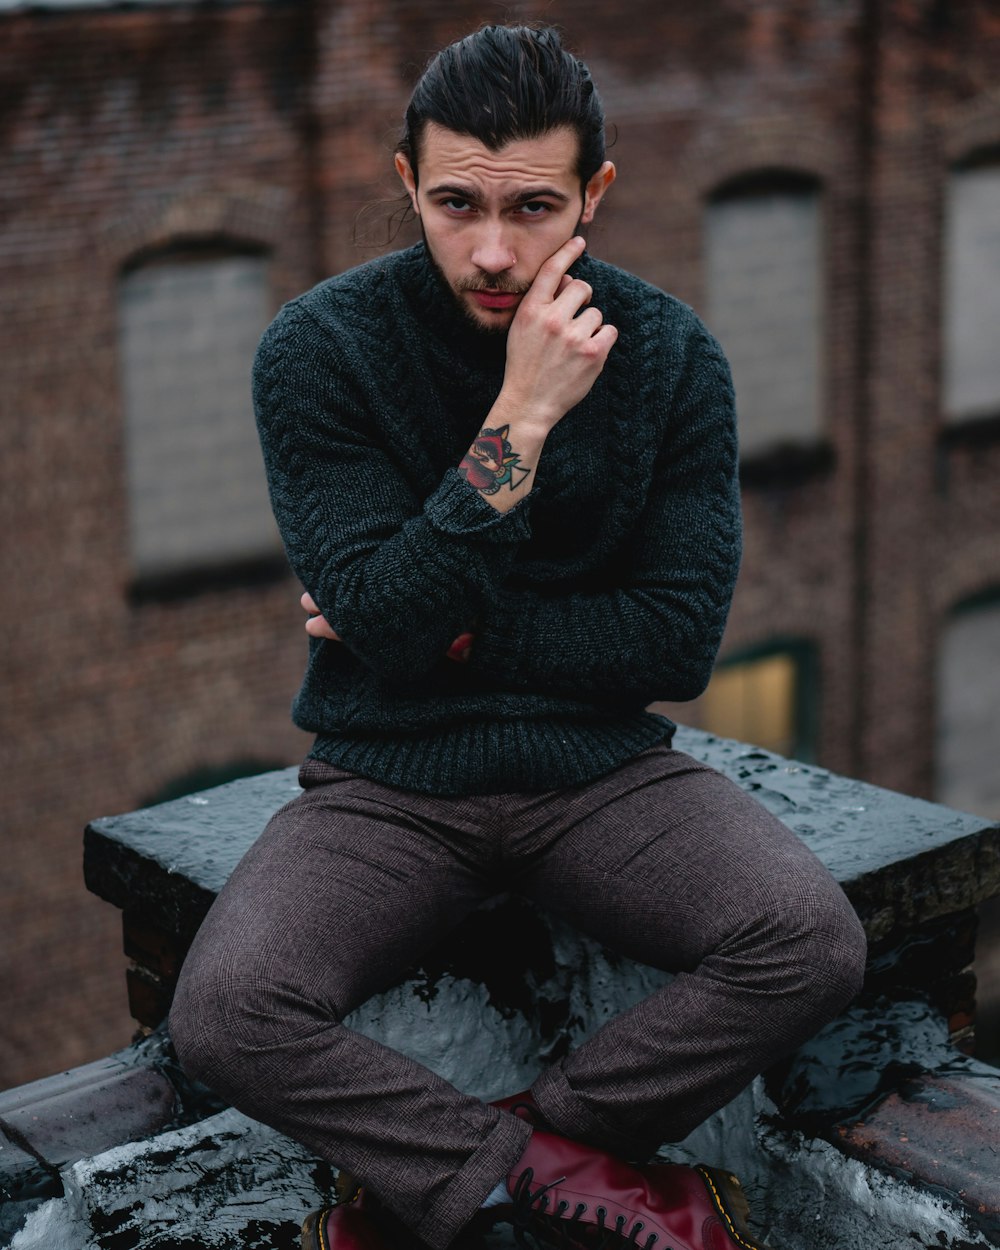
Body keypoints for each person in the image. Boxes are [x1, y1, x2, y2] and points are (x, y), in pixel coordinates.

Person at [169, 24, 866, 1250]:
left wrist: (428, 629)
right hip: (387, 786)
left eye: (534, 206)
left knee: (808, 944)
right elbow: (384, 626)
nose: (492, 250)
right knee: (227, 1011)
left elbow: (672, 645)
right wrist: (522, 419)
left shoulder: (672, 358)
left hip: (601, 773)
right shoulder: (319, 349)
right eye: (454, 204)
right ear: (406, 185)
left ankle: (528, 1161)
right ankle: (533, 1184)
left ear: (593, 192)